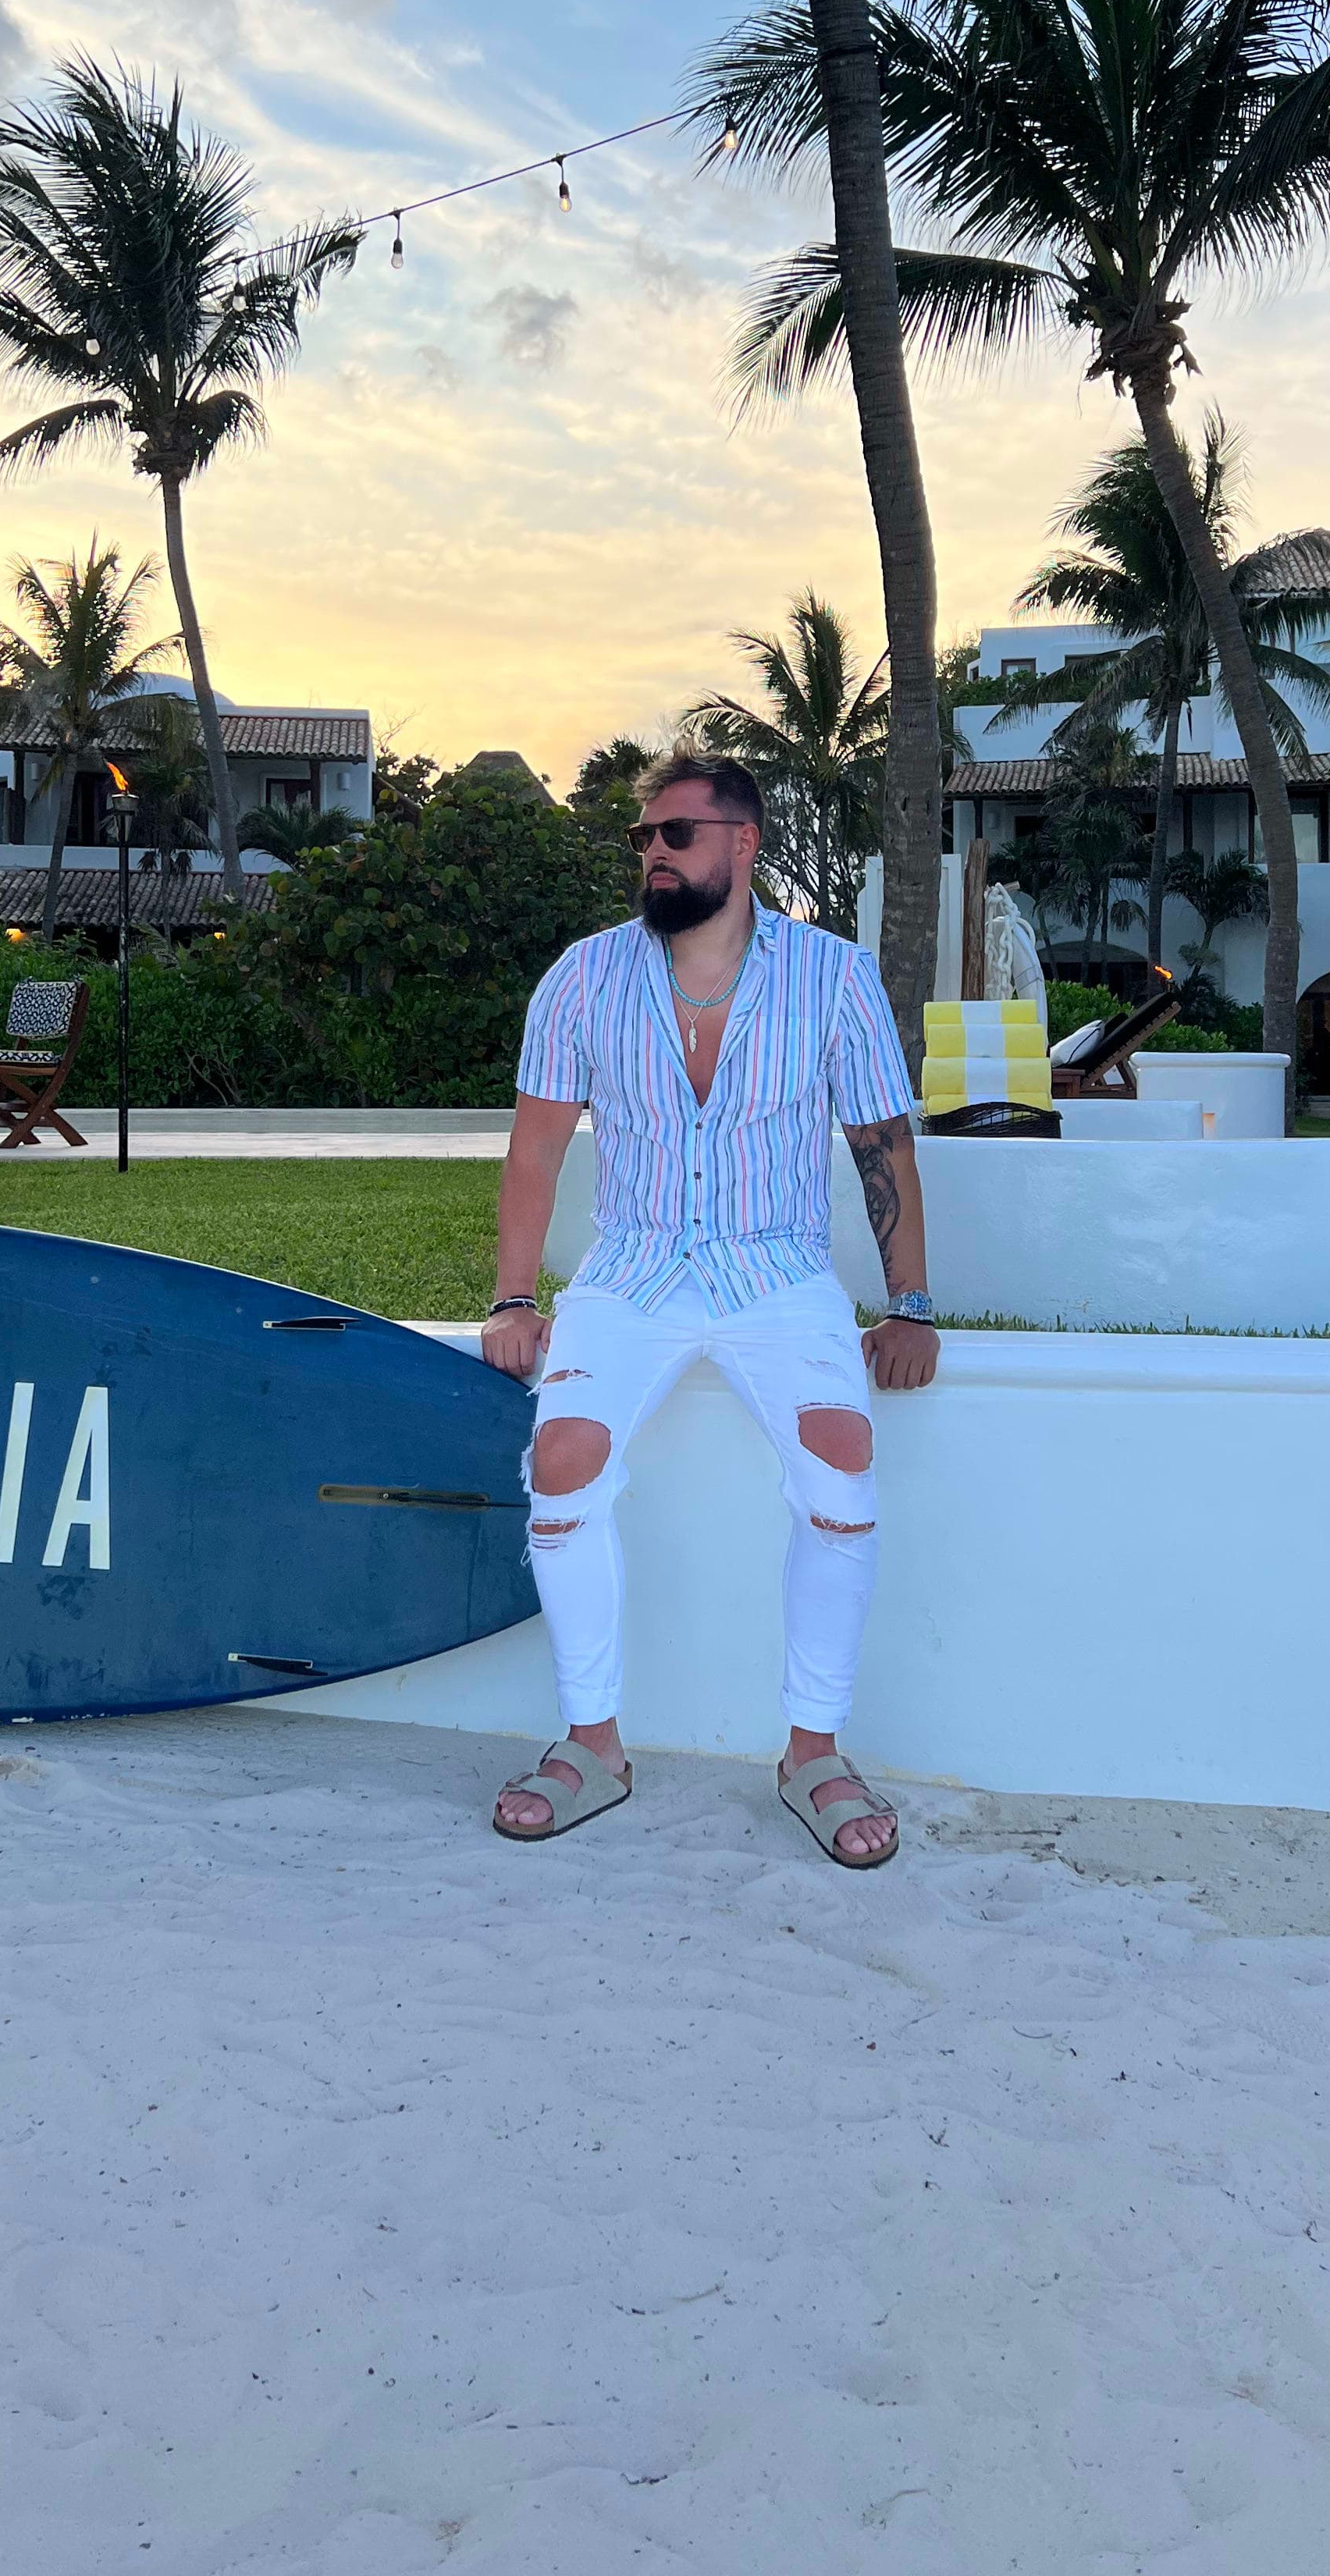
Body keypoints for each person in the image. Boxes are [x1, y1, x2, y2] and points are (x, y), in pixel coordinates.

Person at [481, 752, 937, 1866]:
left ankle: (813, 1755)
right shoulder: (582, 979)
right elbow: (536, 1153)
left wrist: (910, 1303)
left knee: (841, 1469)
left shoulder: (833, 978)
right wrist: (513, 1296)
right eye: (642, 837)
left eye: (676, 834)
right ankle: (594, 1745)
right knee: (564, 1466)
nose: (652, 853)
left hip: (774, 1268)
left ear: (743, 843)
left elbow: (880, 1143)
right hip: (633, 1267)